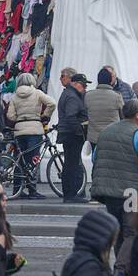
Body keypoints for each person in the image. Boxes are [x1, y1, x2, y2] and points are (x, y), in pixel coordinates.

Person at [90, 98, 138, 255]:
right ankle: (122, 269)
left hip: (108, 192)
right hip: (131, 192)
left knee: (118, 231)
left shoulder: (106, 130)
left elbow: (95, 158)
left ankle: (120, 265)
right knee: (131, 232)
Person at [5, 72, 55, 199]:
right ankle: (32, 191)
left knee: (18, 160)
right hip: (35, 129)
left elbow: (10, 116)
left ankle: (17, 190)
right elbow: (52, 103)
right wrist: (44, 116)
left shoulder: (15, 97)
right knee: (33, 160)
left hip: (19, 130)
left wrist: (19, 117)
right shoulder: (37, 93)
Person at [56, 72, 89, 203]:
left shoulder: (69, 94)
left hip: (67, 133)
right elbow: (71, 116)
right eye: (82, 85)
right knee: (72, 164)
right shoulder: (73, 97)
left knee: (70, 164)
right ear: (75, 84)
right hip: (71, 135)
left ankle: (70, 194)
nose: (84, 88)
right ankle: (71, 195)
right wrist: (79, 132)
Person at [85, 68, 123, 147]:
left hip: (94, 137)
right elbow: (123, 115)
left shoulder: (88, 95)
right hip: (112, 137)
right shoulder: (117, 96)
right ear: (110, 81)